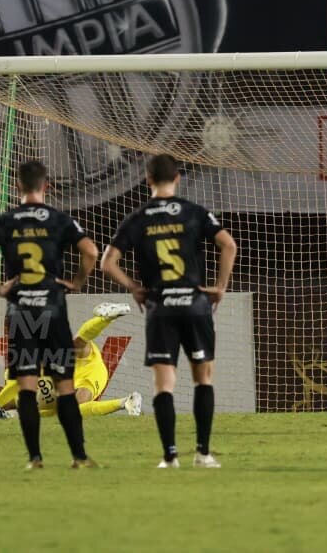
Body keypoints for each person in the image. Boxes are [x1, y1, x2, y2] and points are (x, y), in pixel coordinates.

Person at [100, 153, 238, 469]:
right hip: (195, 305)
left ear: (147, 180)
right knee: (203, 379)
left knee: (164, 385)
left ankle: (170, 456)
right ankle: (203, 454)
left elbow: (107, 262)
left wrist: (134, 287)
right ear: (177, 178)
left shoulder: (139, 217)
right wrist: (220, 286)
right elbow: (228, 245)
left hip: (160, 308)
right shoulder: (195, 212)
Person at [0, 159, 100, 470]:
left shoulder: (7, 220)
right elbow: (91, 252)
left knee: (26, 385)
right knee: (65, 384)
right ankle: (78, 457)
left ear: (18, 187)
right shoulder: (59, 219)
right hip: (52, 310)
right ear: (46, 186)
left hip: (21, 312)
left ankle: (35, 459)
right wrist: (76, 281)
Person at [0, 302, 143, 419]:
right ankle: (126, 401)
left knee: (73, 345)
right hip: (85, 379)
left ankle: (105, 317)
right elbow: (51, 414)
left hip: (76, 361)